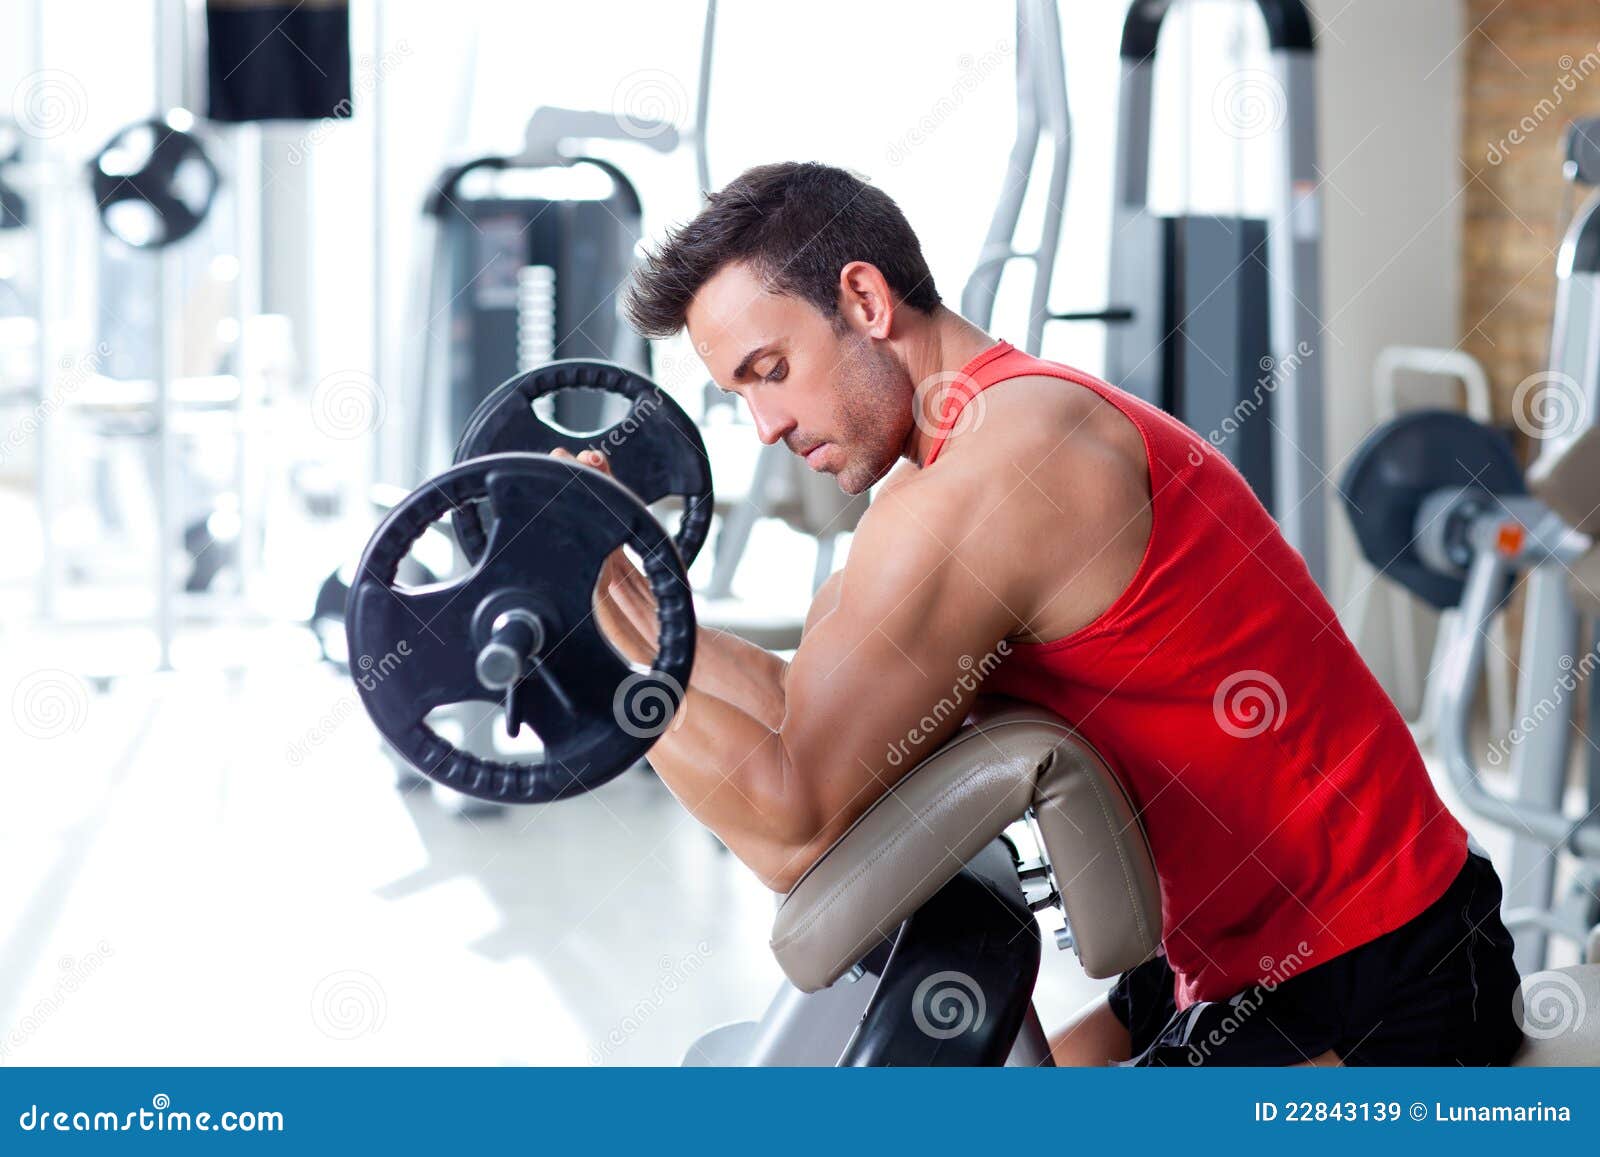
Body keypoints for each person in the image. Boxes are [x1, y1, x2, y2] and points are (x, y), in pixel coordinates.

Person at [575, 160, 1523, 1066]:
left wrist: (601, 637)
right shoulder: (987, 436)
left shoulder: (992, 481)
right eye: (741, 392)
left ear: (865, 301)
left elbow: (793, 831)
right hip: (1223, 960)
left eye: (771, 368)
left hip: (1380, 976)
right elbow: (799, 705)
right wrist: (625, 595)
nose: (767, 426)